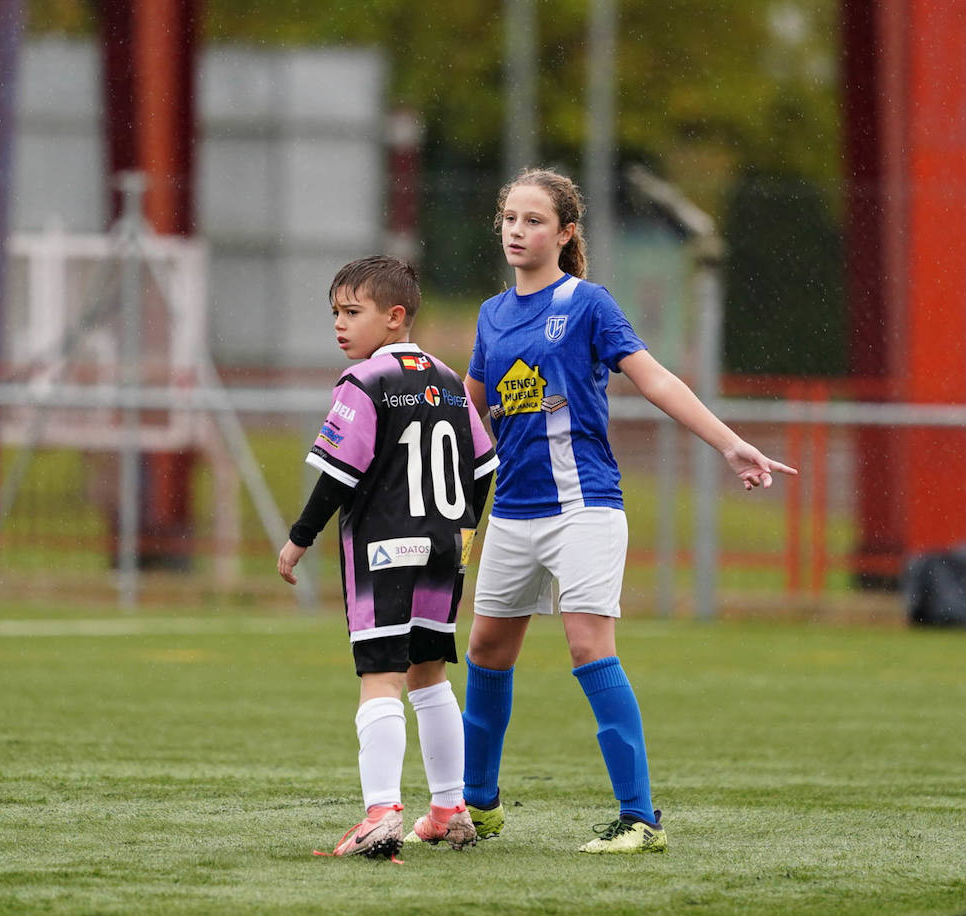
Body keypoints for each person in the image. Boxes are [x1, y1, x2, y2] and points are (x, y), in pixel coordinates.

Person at [461, 168, 797, 854]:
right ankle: (477, 807)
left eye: (533, 220)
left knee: (588, 646)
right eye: (510, 219)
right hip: (513, 514)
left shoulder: (587, 304)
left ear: (565, 233)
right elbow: (468, 407)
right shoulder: (492, 315)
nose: (517, 231)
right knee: (486, 652)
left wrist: (730, 444)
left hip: (583, 507)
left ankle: (640, 819)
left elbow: (657, 379)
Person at [278, 255, 499, 860]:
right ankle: (450, 809)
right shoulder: (451, 380)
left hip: (384, 552)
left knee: (380, 676)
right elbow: (484, 470)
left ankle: (381, 812)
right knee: (431, 676)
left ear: (395, 317)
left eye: (353, 312)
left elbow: (336, 477)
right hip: (444, 551)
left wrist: (300, 537)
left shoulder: (364, 383)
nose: (339, 326)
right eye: (335, 314)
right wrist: (463, 534)